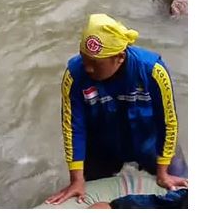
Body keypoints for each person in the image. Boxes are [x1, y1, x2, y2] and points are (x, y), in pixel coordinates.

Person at [46, 14, 187, 205]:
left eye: (95, 64)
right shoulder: (74, 75)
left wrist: (163, 171)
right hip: (104, 144)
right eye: (84, 59)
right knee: (87, 191)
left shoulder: (152, 71)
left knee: (182, 192)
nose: (87, 68)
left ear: (119, 58)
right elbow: (73, 128)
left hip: (150, 140)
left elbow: (168, 122)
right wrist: (76, 180)